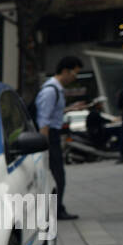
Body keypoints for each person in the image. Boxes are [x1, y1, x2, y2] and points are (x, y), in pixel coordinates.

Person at [35, 55, 86, 220]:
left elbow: (52, 115)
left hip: (53, 135)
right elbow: (43, 120)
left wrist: (70, 109)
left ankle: (56, 208)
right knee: (57, 176)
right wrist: (45, 147)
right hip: (50, 138)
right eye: (74, 73)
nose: (75, 78)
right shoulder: (51, 90)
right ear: (65, 71)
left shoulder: (56, 89)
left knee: (58, 175)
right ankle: (55, 210)